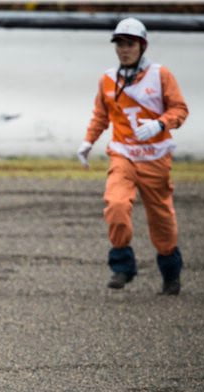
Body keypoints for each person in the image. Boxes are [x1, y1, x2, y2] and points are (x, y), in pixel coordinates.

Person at [76, 17, 188, 295]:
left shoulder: (161, 75)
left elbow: (180, 110)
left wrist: (160, 124)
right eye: (119, 44)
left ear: (141, 46)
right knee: (115, 205)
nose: (124, 49)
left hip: (155, 157)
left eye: (129, 44)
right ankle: (122, 266)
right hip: (123, 153)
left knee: (161, 217)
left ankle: (170, 274)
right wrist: (88, 141)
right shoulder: (107, 79)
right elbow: (101, 116)